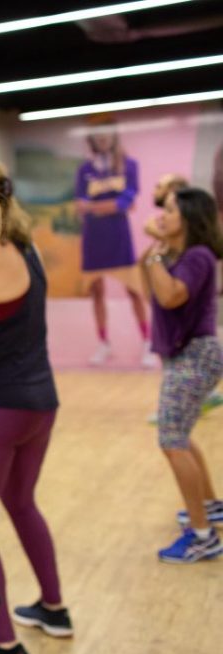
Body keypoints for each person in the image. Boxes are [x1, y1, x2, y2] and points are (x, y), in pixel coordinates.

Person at [0, 160, 72, 654]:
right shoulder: (25, 250)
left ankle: (4, 648)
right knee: (22, 502)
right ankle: (54, 608)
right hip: (40, 403)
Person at [141, 187, 223, 563]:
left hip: (196, 356)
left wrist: (156, 256)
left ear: (187, 218)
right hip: (187, 356)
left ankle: (203, 535)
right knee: (182, 438)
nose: (162, 215)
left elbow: (172, 296)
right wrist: (155, 256)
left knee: (172, 441)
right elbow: (153, 293)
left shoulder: (198, 256)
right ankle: (210, 507)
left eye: (170, 210)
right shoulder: (178, 255)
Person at [74, 116, 155, 368]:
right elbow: (80, 206)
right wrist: (109, 205)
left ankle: (147, 342)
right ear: (92, 139)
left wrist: (96, 206)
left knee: (134, 291)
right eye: (98, 134)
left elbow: (128, 203)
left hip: (120, 237)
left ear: (114, 135)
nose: (102, 138)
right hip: (93, 238)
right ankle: (103, 343)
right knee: (97, 292)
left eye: (106, 133)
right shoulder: (84, 170)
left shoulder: (129, 165)